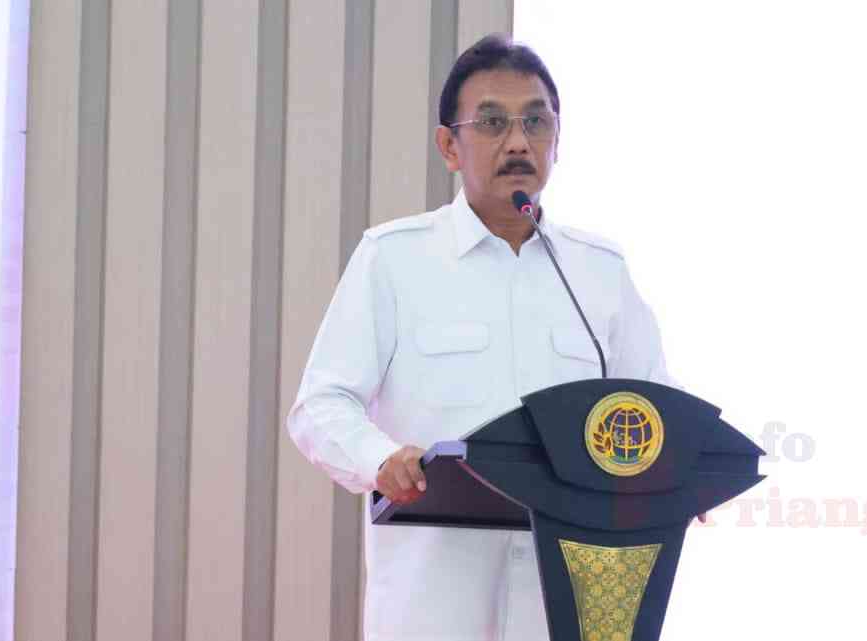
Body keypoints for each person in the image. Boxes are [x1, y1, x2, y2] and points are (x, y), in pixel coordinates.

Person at [288, 34, 674, 641]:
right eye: (492, 122)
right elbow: (320, 405)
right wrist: (381, 460)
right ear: (449, 146)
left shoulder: (599, 271)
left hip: (564, 612)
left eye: (536, 122)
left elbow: (654, 410)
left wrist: (677, 473)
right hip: (434, 611)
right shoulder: (395, 259)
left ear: (557, 140)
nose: (518, 141)